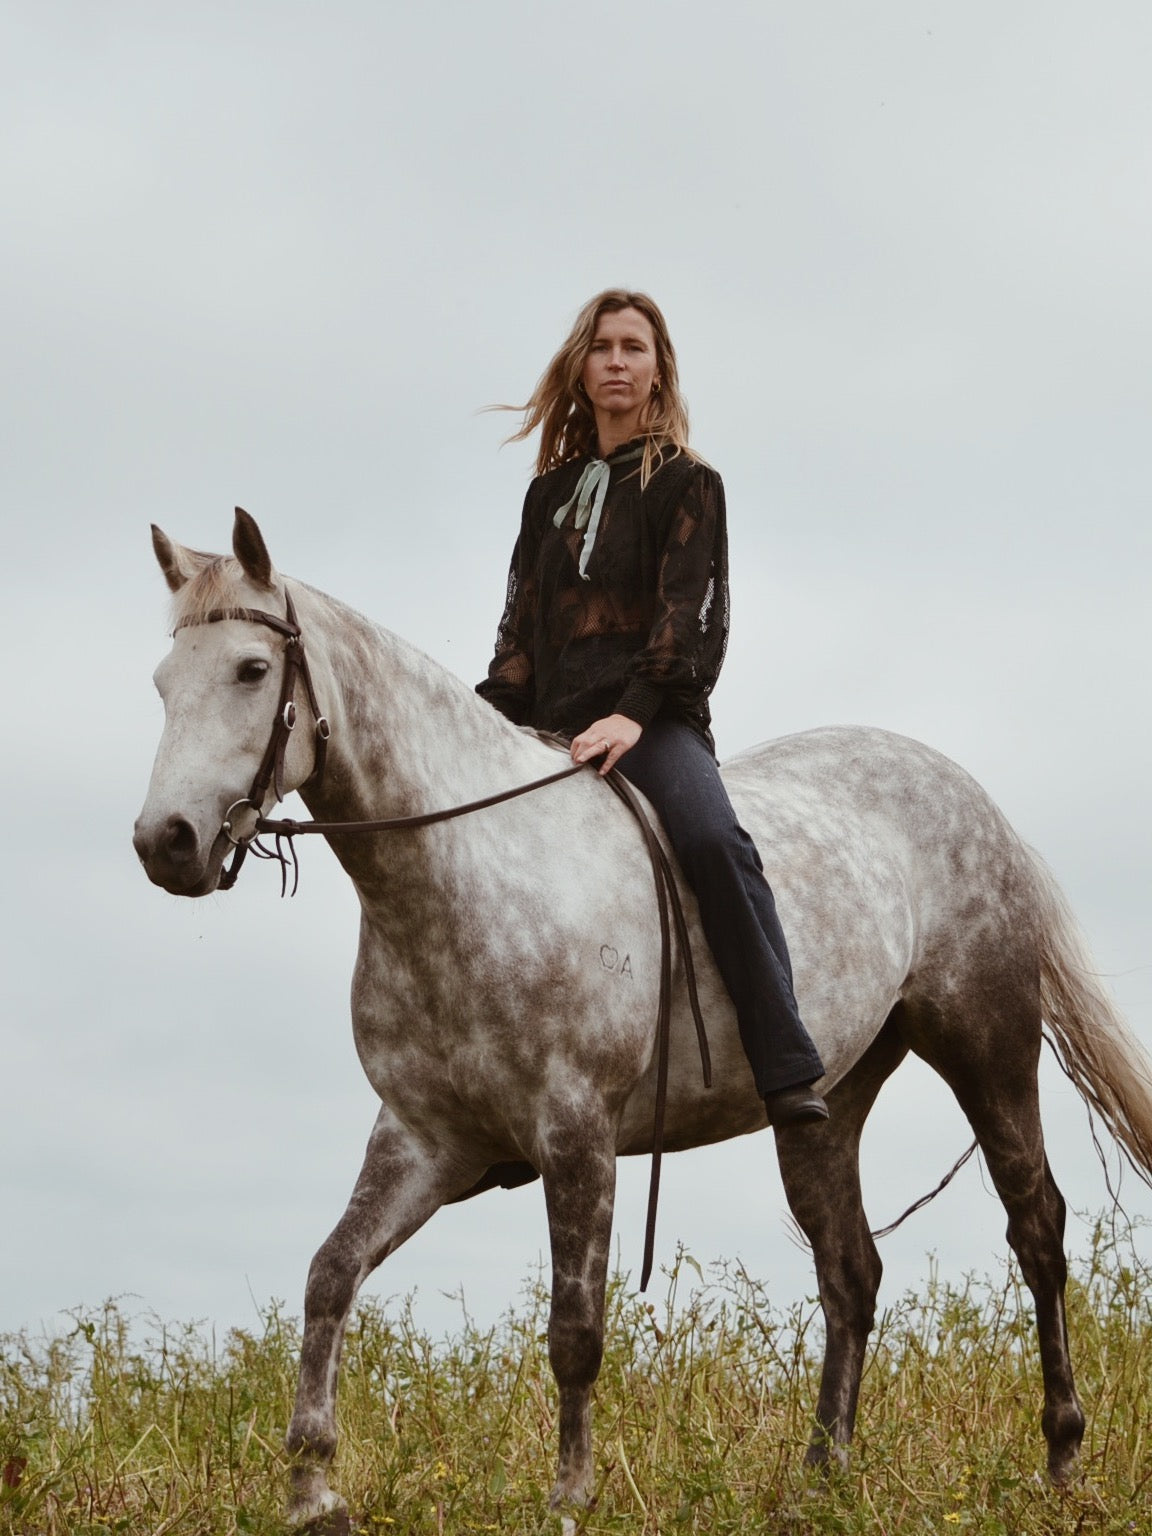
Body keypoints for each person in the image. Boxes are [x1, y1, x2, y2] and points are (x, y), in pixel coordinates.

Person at [477, 290, 827, 1128]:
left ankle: (784, 1058)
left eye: (635, 347)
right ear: (581, 367)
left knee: (712, 837)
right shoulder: (546, 497)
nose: (618, 362)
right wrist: (483, 721)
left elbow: (689, 618)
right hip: (550, 729)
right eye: (603, 347)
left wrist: (633, 713)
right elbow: (521, 629)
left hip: (652, 720)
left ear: (659, 368)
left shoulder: (688, 483)